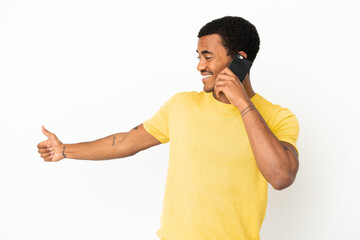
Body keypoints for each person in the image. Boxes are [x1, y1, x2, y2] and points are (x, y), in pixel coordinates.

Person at [37, 16, 299, 240]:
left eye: (207, 57)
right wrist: (64, 150)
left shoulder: (277, 117)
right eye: (198, 57)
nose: (200, 66)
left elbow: (280, 177)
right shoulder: (181, 105)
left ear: (239, 59)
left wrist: (242, 103)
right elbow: (126, 142)